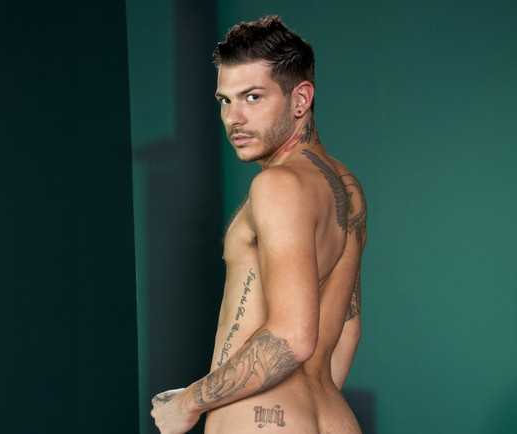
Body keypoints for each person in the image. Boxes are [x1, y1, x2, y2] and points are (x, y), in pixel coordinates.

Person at [150, 15, 367, 434]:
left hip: (261, 420)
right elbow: (348, 329)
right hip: (334, 417)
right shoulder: (347, 188)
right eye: (224, 100)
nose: (233, 117)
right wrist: (303, 410)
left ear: (300, 99)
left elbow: (292, 337)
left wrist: (188, 403)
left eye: (252, 97)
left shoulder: (277, 185)